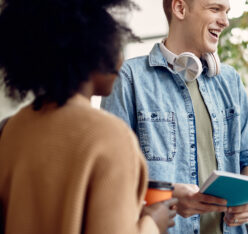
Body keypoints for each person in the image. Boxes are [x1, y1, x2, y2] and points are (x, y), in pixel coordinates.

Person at [0, 0, 177, 233]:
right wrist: (153, 222)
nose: (121, 61)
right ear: (94, 52)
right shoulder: (110, 137)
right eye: (117, 47)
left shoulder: (11, 129)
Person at [101, 0, 248, 233]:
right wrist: (168, 196)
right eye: (215, 9)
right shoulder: (129, 78)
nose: (225, 21)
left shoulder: (230, 80)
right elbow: (112, 176)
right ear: (180, 8)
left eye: (226, 12)